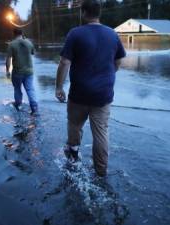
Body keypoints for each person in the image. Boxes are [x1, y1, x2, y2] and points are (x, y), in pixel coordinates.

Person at [55, 0, 126, 177]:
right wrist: (107, 76)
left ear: (83, 12)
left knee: (74, 126)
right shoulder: (112, 34)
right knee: (101, 133)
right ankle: (101, 171)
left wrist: (58, 88)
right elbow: (118, 62)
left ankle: (73, 159)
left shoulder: (75, 33)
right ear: (99, 13)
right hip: (103, 95)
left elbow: (64, 62)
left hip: (79, 94)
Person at [6, 28, 38, 115]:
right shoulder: (28, 42)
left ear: (14, 34)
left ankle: (18, 105)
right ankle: (34, 107)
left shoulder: (11, 44)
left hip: (17, 72)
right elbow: (33, 53)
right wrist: (26, 40)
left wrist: (7, 71)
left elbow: (8, 59)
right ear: (22, 33)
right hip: (29, 72)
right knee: (30, 89)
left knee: (17, 89)